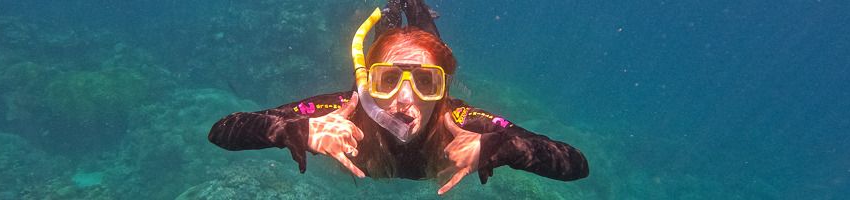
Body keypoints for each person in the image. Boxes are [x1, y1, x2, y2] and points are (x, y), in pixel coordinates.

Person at [208, 0, 588, 195]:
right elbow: (223, 131)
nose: (403, 99)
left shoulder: (461, 124)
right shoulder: (341, 113)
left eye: (426, 82)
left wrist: (500, 147)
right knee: (395, 43)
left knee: (425, 42)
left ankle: (415, 8)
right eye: (387, 80)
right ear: (367, 82)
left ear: (443, 91)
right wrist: (294, 131)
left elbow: (574, 163)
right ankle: (394, 16)